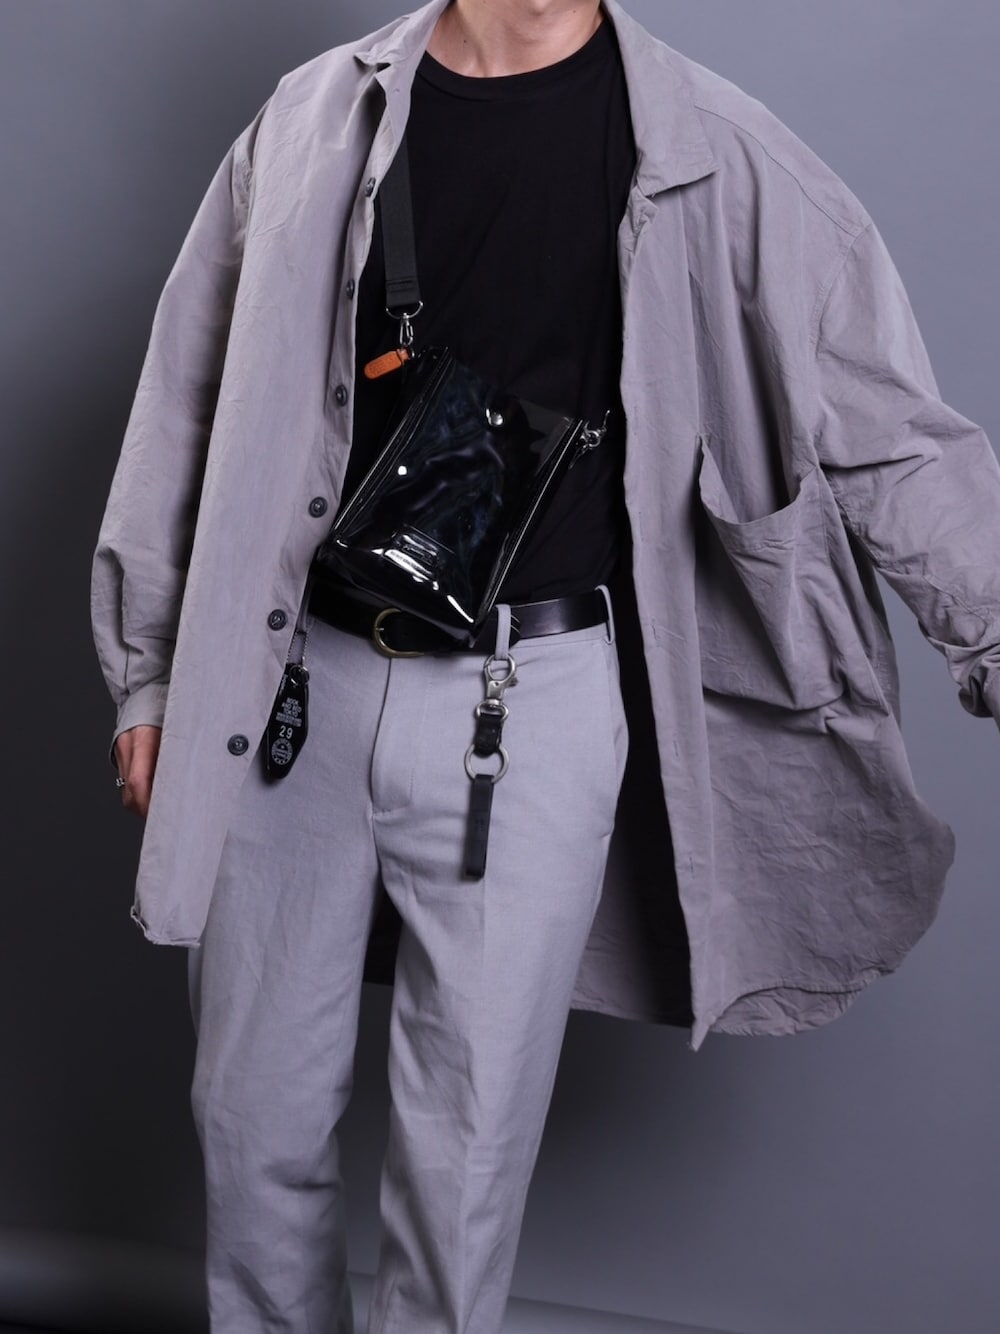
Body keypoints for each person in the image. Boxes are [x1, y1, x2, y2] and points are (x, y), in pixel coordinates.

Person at [90, 1, 1000, 1330]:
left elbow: (898, 438)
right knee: (251, 1121)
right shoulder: (315, 116)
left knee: (462, 1158)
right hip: (288, 698)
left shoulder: (722, 155)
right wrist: (155, 669)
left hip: (534, 709)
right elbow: (186, 392)